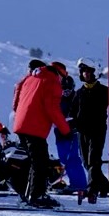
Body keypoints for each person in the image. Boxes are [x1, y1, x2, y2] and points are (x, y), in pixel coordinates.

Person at [69, 57, 109, 203]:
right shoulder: (78, 93)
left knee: (94, 160)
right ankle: (105, 186)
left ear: (95, 73)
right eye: (83, 72)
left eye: (89, 72)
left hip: (98, 131)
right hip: (82, 132)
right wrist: (70, 125)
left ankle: (92, 191)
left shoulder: (104, 91)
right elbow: (71, 113)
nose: (86, 74)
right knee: (86, 162)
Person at [12, 61, 70, 208]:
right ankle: (38, 196)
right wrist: (66, 130)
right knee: (41, 162)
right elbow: (52, 109)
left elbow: (16, 101)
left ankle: (29, 194)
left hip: (20, 125)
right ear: (60, 73)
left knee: (33, 161)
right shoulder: (52, 81)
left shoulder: (31, 78)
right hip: (35, 127)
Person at [51, 61, 87, 193]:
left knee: (72, 158)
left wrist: (74, 124)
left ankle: (79, 184)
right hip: (59, 132)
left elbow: (80, 115)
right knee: (63, 158)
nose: (66, 92)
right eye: (63, 89)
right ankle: (72, 181)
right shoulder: (57, 99)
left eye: (68, 89)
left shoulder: (76, 98)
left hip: (71, 132)